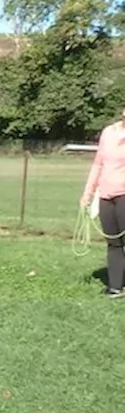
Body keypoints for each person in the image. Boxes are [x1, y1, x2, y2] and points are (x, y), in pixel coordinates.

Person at [80, 109, 125, 298]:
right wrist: (88, 193)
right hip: (106, 195)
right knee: (113, 242)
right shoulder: (108, 133)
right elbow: (98, 163)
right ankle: (115, 287)